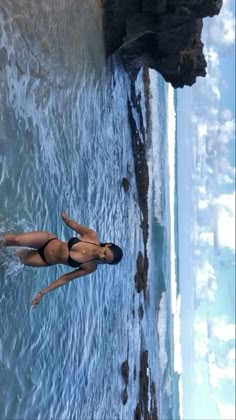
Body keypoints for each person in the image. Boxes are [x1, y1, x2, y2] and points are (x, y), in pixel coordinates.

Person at [3, 211, 123, 308]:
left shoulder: (90, 267)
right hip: (48, 240)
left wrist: (42, 293)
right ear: (107, 245)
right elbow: (74, 225)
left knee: (12, 257)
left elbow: (66, 278)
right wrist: (66, 219)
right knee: (14, 240)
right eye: (105, 253)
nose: (101, 257)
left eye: (105, 260)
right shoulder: (91, 235)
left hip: (44, 260)